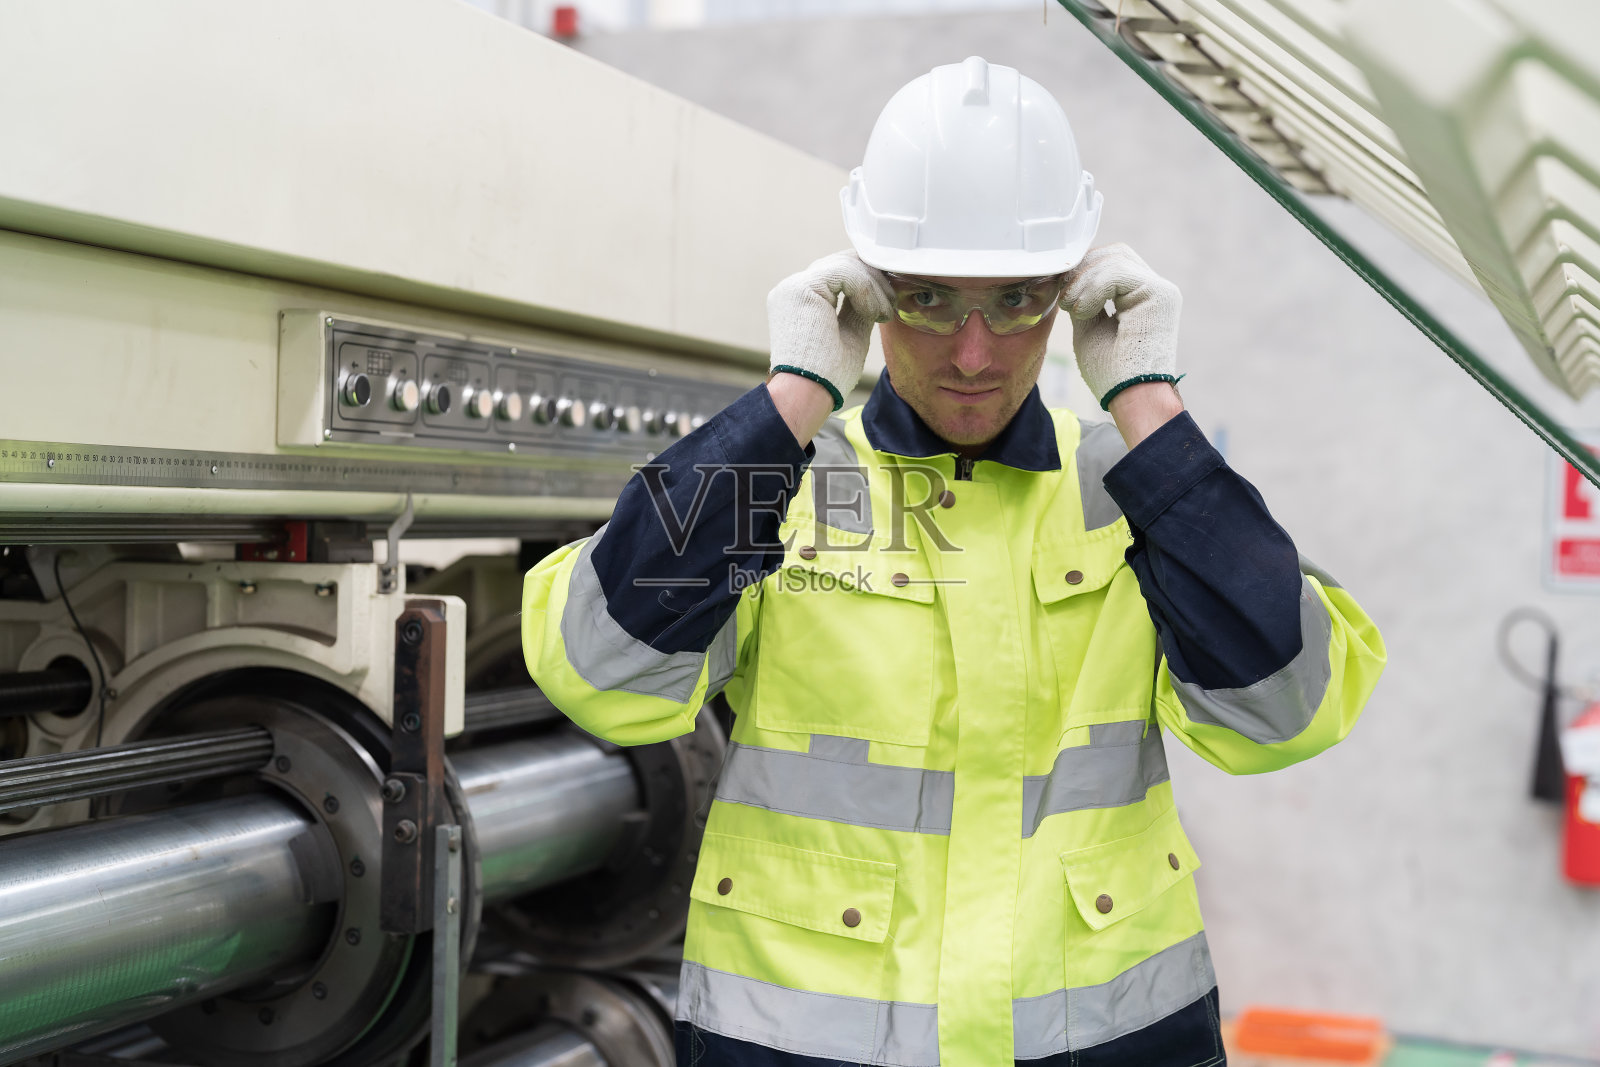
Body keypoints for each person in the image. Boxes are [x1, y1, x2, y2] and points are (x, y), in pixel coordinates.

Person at [522, 57, 1385, 1067]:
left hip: (1108, 1039)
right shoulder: (787, 481)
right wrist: (794, 393)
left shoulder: (1132, 484)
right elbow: (602, 670)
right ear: (869, 291)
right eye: (929, 297)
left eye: (1016, 299)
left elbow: (1287, 709)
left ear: (1067, 294)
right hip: (807, 1045)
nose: (972, 352)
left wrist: (1146, 397)